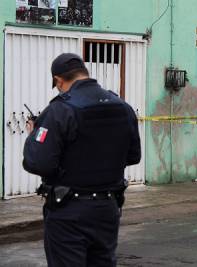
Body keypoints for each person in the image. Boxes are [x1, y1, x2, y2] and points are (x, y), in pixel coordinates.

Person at [23, 53, 141, 267]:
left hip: (69, 211)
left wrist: (33, 136)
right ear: (84, 74)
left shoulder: (60, 109)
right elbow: (133, 156)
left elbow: (38, 162)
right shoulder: (122, 106)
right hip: (108, 208)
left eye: (57, 85)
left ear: (59, 80)